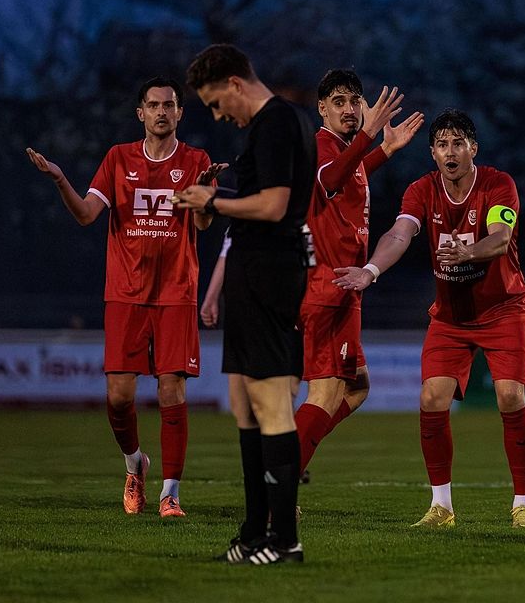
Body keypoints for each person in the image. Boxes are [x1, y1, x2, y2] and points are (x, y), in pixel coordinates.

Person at [26, 76, 223, 518]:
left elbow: (205, 226)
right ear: (140, 113)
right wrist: (60, 180)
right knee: (118, 396)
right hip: (125, 293)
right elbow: (85, 215)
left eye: (169, 105)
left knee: (172, 391)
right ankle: (136, 464)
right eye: (153, 105)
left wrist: (206, 197)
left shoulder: (196, 160)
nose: (161, 112)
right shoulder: (118, 159)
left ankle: (171, 493)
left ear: (179, 113)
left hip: (176, 292)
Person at [333, 108, 525, 529]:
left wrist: (469, 252)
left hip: (503, 309)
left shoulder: (499, 184)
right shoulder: (422, 190)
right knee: (431, 398)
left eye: (458, 143)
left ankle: (524, 505)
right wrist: (370, 271)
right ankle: (441, 507)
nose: (450, 151)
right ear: (432, 152)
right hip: (450, 317)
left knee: (510, 397)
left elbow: (500, 239)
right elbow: (399, 234)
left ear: (472, 148)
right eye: (442, 144)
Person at [178, 43, 316, 565]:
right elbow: (253, 197)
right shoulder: (266, 129)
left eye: (216, 103)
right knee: (243, 402)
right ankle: (254, 533)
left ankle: (286, 541)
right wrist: (210, 196)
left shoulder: (278, 121)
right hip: (251, 271)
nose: (218, 115)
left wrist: (212, 199)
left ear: (235, 84)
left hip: (269, 273)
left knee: (269, 401)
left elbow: (276, 203)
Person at [294, 69, 423, 474]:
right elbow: (332, 179)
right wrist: (368, 137)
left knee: (358, 386)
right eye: (338, 102)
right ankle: (281, 472)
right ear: (321, 109)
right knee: (326, 392)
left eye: (354, 101)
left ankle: (292, 453)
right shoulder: (321, 146)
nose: (349, 110)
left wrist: (385, 149)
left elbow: (351, 174)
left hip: (343, 288)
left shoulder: (345, 151)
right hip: (330, 288)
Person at [201, 229, 309, 484]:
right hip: (244, 315)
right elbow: (227, 251)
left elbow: (308, 259)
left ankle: (281, 481)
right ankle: (264, 491)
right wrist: (212, 296)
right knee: (245, 410)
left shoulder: (293, 209)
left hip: (282, 315)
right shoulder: (240, 210)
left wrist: (296, 305)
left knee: (284, 397)